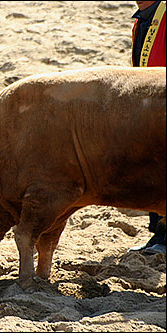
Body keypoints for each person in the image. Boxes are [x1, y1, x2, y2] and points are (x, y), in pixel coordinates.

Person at [128, 0, 166, 255]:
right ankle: (157, 236)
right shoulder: (141, 19)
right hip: (149, 104)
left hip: (161, 99)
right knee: (153, 168)